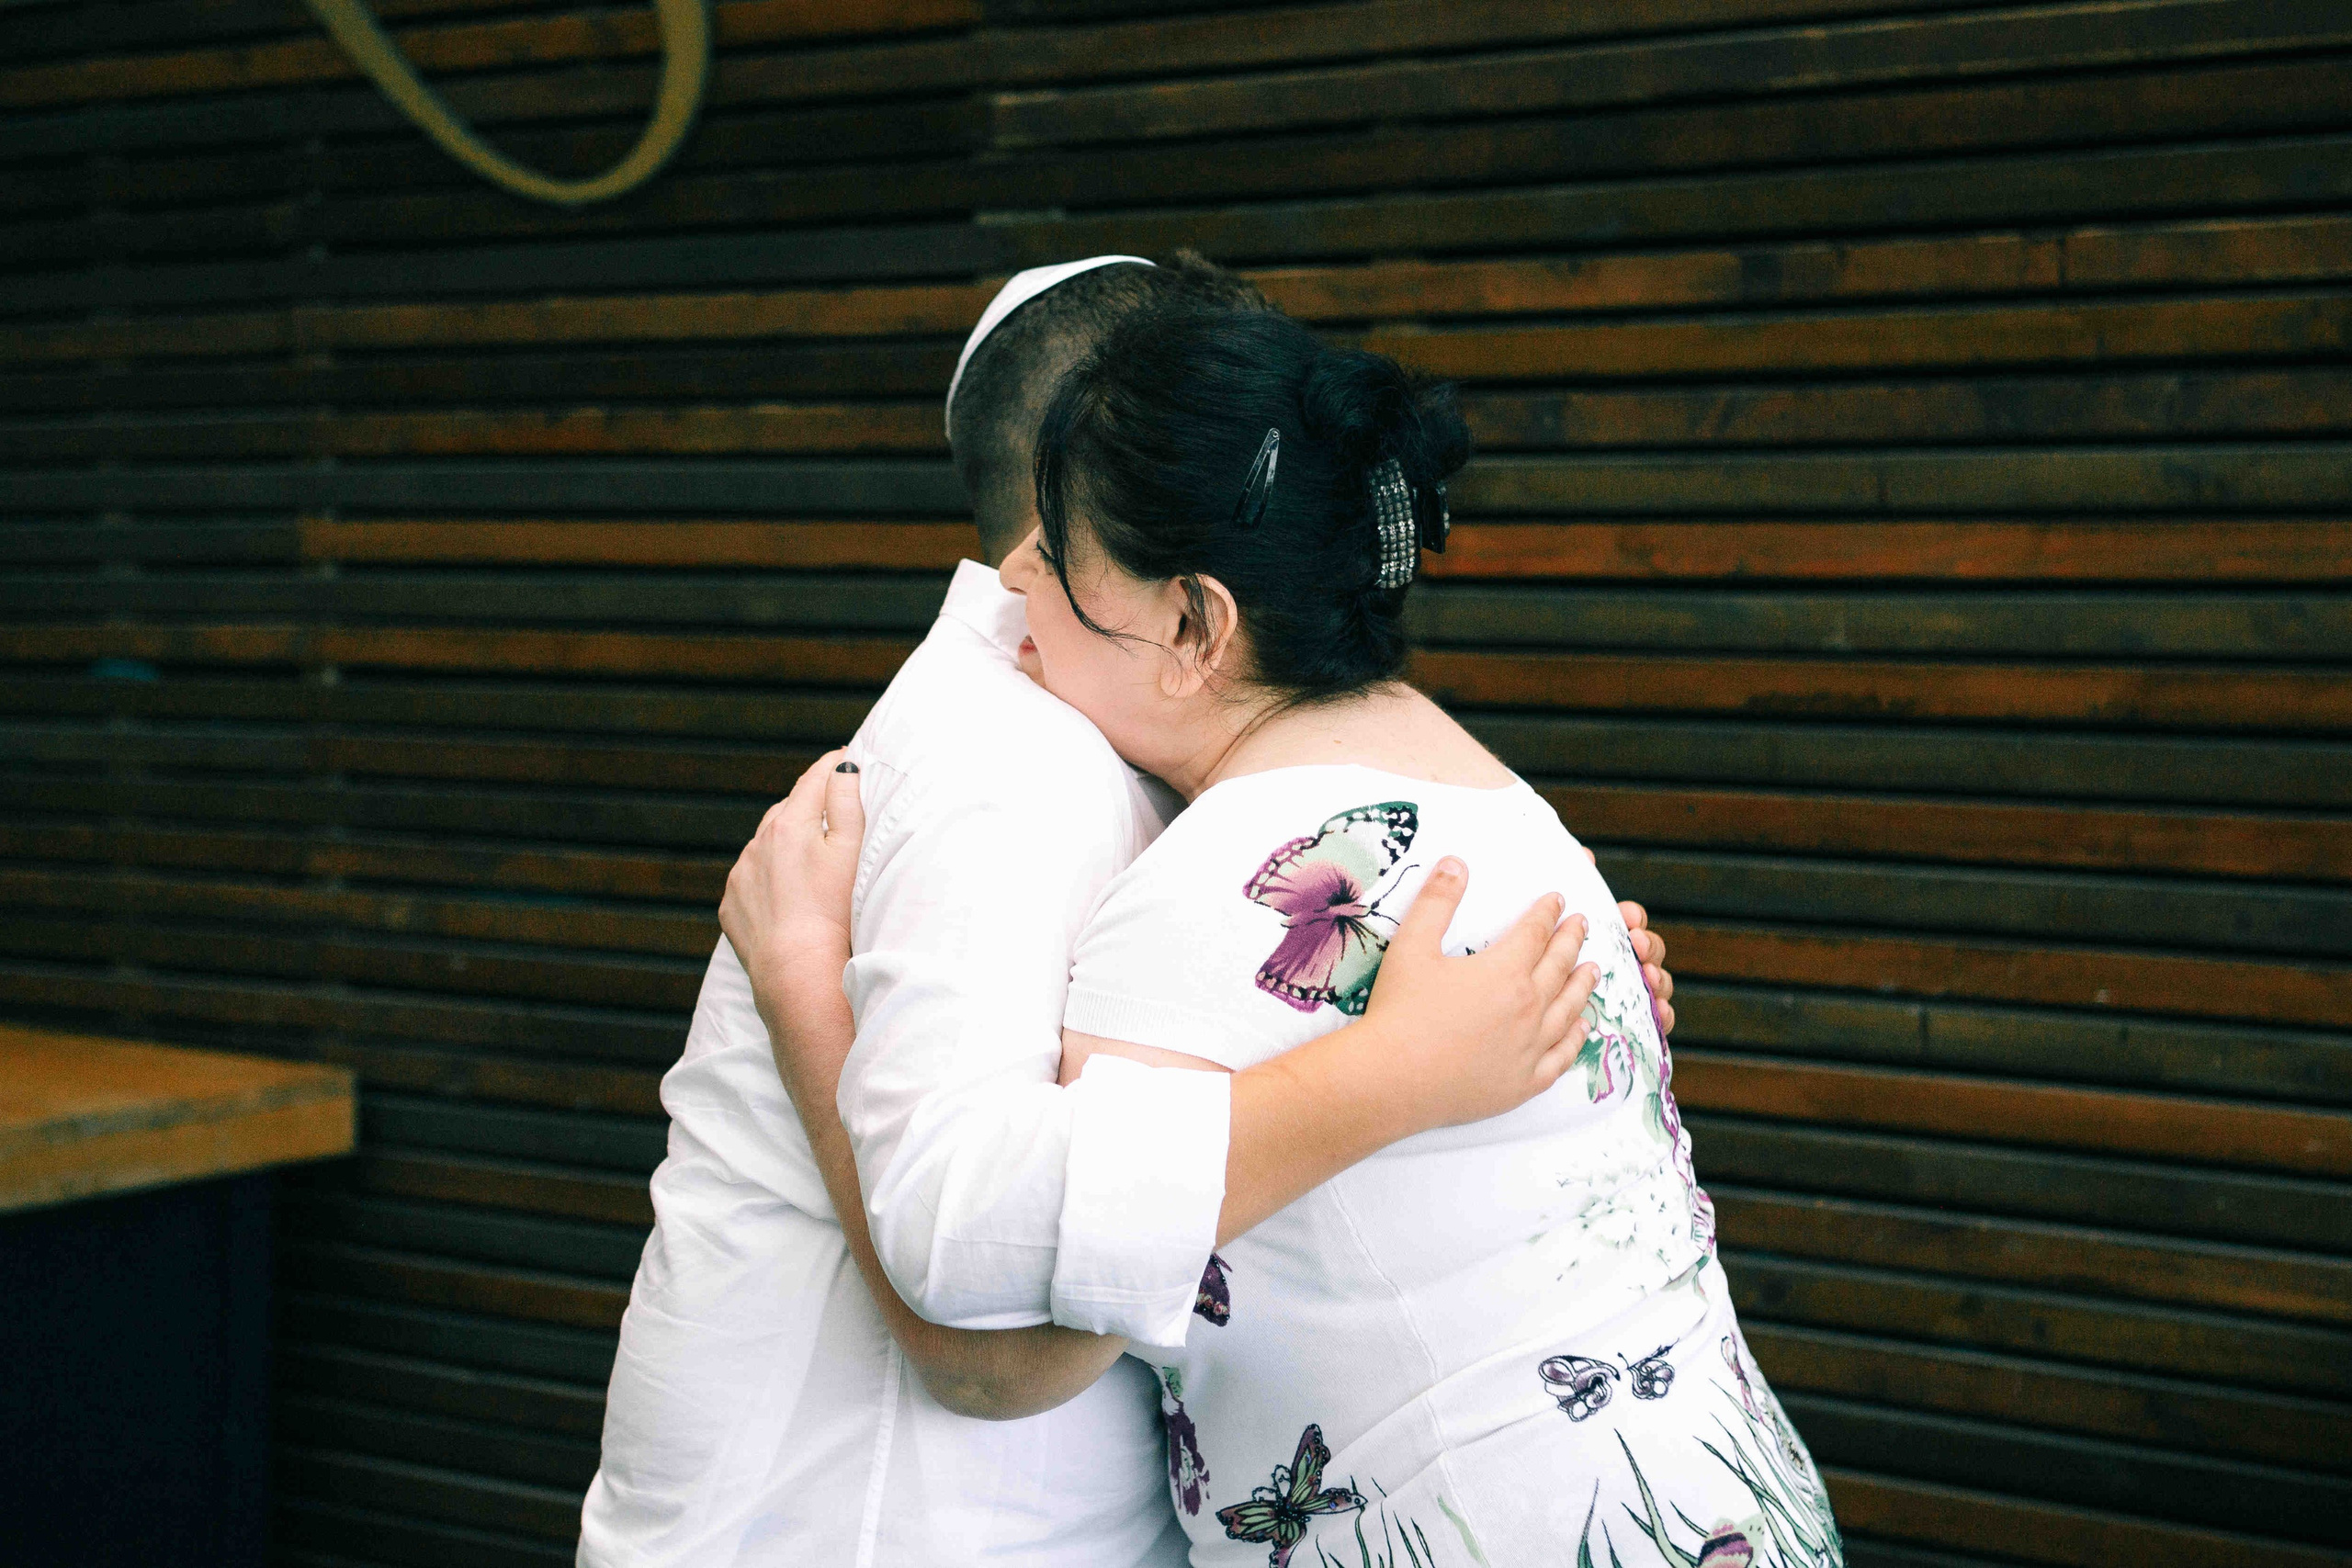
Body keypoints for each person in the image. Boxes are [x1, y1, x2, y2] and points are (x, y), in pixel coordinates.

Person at [579, 254, 1675, 1566]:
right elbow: (984, 1332)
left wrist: (1568, 1024)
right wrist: (806, 991)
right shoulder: (1020, 762)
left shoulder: (1211, 763)